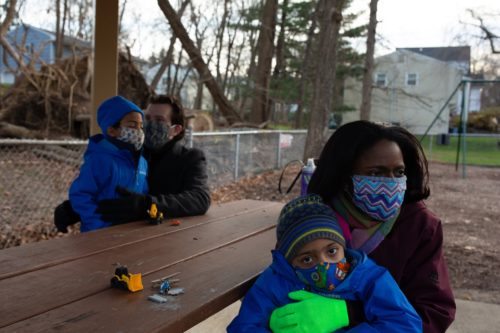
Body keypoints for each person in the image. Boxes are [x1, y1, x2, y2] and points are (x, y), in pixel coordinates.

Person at [270, 120, 455, 333]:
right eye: (376, 173)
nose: (391, 183)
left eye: (398, 172)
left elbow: (433, 312)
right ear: (344, 175)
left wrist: (349, 314)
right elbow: (280, 281)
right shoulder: (310, 218)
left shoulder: (419, 226)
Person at [227, 194, 422, 332]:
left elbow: (405, 324)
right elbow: (244, 326)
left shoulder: (370, 277)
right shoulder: (275, 282)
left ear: (343, 247)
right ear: (289, 261)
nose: (324, 264)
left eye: (331, 251)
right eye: (307, 259)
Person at [55, 95, 211, 232]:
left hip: (168, 238)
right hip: (121, 235)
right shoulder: (129, 153)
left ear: (175, 130)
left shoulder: (190, 158)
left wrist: (146, 205)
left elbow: (200, 198)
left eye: (159, 120)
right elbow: (104, 185)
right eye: (147, 118)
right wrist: (73, 209)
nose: (148, 125)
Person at [68, 95, 148, 232]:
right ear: (111, 130)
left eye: (141, 126)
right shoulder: (99, 160)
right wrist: (98, 226)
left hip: (130, 233)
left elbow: (143, 193)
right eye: (132, 125)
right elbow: (80, 194)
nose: (139, 131)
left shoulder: (142, 162)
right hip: (99, 237)